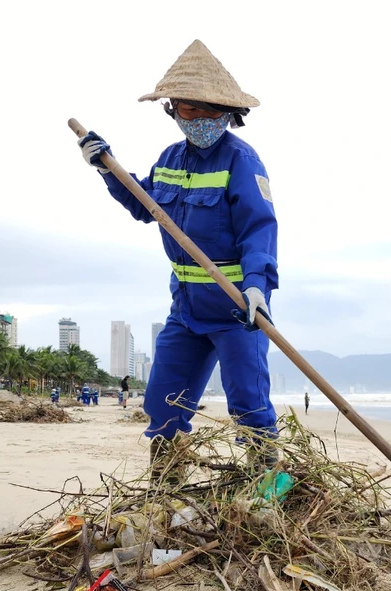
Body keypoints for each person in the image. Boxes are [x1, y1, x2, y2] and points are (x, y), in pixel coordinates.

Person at [79, 40, 278, 470]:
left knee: (247, 402)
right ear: (172, 108)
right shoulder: (170, 159)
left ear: (228, 113)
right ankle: (166, 486)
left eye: (211, 110)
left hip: (236, 308)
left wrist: (257, 288)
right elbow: (143, 204)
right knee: (164, 400)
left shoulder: (242, 161)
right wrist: (107, 169)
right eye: (190, 109)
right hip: (186, 307)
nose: (202, 119)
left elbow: (259, 228)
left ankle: (272, 485)